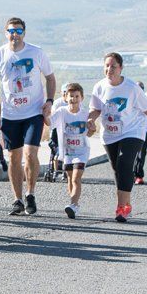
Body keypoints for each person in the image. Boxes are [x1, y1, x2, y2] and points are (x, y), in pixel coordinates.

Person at [0, 17, 56, 216]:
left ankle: (30, 193)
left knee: (30, 154)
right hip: (9, 114)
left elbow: (50, 77)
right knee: (14, 157)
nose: (15, 34)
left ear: (24, 32)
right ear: (5, 33)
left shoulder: (36, 52)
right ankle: (17, 199)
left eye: (19, 30)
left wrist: (49, 100)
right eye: (11, 30)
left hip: (33, 112)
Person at [88, 53, 147, 222]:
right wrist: (90, 120)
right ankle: (125, 203)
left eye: (113, 66)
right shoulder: (99, 87)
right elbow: (95, 109)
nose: (109, 69)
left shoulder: (131, 87)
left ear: (121, 68)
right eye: (107, 66)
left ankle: (121, 208)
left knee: (124, 163)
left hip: (133, 131)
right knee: (118, 169)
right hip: (110, 134)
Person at [47, 83, 96, 218]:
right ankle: (74, 205)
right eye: (71, 96)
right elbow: (49, 123)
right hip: (67, 151)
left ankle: (73, 204)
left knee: (76, 178)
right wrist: (44, 114)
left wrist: (92, 128)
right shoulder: (62, 112)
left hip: (82, 151)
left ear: (81, 98)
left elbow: (90, 134)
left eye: (76, 96)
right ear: (65, 97)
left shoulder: (85, 114)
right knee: (70, 179)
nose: (73, 99)